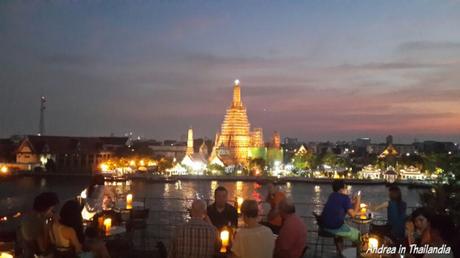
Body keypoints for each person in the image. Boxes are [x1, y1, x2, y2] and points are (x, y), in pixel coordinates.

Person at [320, 180, 361, 256]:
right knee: (358, 235)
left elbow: (341, 203)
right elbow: (353, 215)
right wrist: (358, 200)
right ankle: (352, 254)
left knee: (342, 228)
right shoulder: (345, 198)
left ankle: (340, 252)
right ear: (341, 189)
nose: (346, 189)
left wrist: (351, 201)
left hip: (324, 225)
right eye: (345, 187)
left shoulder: (332, 195)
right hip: (334, 227)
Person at [19, 192, 59, 258]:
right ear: (45, 209)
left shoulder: (28, 216)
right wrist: (47, 228)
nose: (52, 212)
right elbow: (43, 248)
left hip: (27, 251)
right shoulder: (38, 222)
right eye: (51, 210)